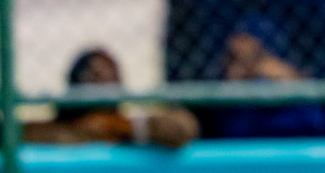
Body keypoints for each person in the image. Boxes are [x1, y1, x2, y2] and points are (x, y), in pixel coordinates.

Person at [24, 49, 199, 148]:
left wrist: (121, 127)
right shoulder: (59, 130)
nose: (107, 84)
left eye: (113, 77)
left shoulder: (126, 129)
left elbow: (182, 128)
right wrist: (87, 131)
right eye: (95, 78)